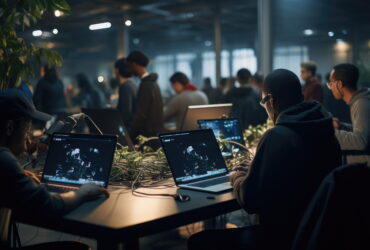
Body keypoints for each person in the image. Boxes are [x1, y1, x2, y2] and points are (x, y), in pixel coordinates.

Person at [188, 69, 342, 250]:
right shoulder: (325, 130)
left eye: (263, 102)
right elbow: (297, 172)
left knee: (198, 241)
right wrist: (257, 169)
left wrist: (237, 177)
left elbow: (250, 201)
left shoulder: (277, 135)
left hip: (280, 237)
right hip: (316, 233)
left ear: (271, 100)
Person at [0, 89, 108, 220]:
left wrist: (18, 177)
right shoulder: (4, 160)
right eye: (27, 131)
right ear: (10, 127)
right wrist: (82, 192)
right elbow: (50, 205)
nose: (28, 140)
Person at [327, 63, 370, 165]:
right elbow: (364, 132)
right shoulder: (359, 101)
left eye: (331, 83)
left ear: (339, 84)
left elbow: (361, 141)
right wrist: (341, 126)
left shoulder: (361, 104)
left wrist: (329, 132)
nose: (330, 87)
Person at [127, 50, 164, 140]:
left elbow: (141, 114)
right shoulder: (154, 83)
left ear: (134, 64)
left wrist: (130, 135)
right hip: (155, 132)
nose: (129, 69)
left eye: (130, 66)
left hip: (147, 135)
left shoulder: (145, 85)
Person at [114, 58, 138, 130]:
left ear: (117, 70)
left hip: (129, 131)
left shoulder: (125, 87)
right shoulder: (133, 84)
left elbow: (126, 114)